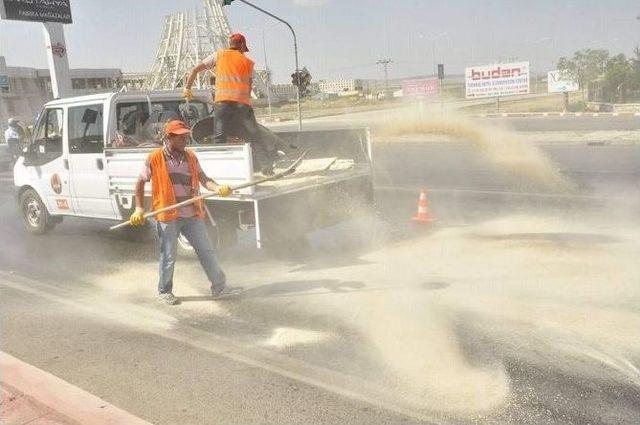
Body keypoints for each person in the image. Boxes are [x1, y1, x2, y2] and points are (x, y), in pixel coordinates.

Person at [130, 120, 241, 305]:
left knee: (207, 252)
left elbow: (204, 179)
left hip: (192, 215)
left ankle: (219, 288)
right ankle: (165, 290)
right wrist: (139, 208)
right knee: (169, 256)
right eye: (180, 137)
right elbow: (140, 182)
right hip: (168, 217)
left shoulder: (190, 157)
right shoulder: (154, 158)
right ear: (168, 138)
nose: (185, 140)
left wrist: (217, 187)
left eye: (186, 136)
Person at [183, 33, 277, 175]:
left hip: (222, 103)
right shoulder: (248, 63)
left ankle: (220, 170)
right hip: (242, 104)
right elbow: (249, 86)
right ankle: (266, 167)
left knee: (220, 137)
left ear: (230, 44)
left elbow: (195, 70)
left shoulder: (219, 55)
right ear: (241, 46)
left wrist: (187, 89)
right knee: (254, 135)